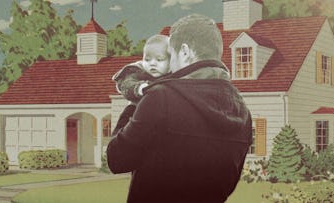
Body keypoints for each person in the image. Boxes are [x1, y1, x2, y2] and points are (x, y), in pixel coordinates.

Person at [107, 14, 252, 203]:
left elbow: (117, 159)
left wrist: (134, 99)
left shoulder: (161, 98)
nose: (170, 65)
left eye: (170, 55)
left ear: (184, 51)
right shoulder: (242, 111)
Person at [111, 34, 170, 134]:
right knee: (123, 130)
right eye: (147, 59)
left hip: (159, 115)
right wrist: (139, 88)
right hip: (135, 110)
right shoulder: (137, 71)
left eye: (159, 59)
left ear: (171, 61)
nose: (152, 63)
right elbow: (127, 84)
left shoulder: (173, 75)